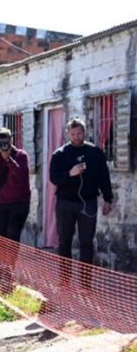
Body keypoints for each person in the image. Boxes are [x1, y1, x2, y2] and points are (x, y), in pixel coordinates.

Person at [49, 117, 114, 287]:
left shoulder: (95, 152)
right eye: (73, 134)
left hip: (88, 203)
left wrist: (108, 198)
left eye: (79, 133)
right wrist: (70, 173)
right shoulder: (60, 154)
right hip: (65, 203)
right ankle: (64, 282)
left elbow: (104, 177)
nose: (77, 136)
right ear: (68, 134)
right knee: (65, 242)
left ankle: (85, 284)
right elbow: (53, 178)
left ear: (85, 132)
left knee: (86, 243)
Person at [0, 127, 31, 244]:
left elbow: (21, 175)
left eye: (6, 141)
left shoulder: (20, 155)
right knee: (0, 237)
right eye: (1, 142)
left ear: (11, 140)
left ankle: (11, 263)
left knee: (13, 235)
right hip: (1, 203)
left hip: (20, 202)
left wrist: (8, 159)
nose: (4, 144)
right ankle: (1, 263)